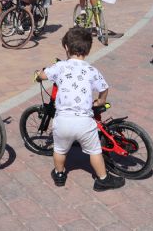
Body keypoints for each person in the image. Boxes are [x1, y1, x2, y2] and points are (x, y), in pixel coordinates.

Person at [35, 27, 125, 191]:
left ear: (66, 48)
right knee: (94, 151)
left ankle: (59, 175)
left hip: (62, 120)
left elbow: (42, 75)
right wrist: (100, 101)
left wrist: (37, 74)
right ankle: (103, 179)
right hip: (84, 122)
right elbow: (104, 87)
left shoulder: (60, 66)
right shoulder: (92, 70)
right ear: (88, 50)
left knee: (60, 150)